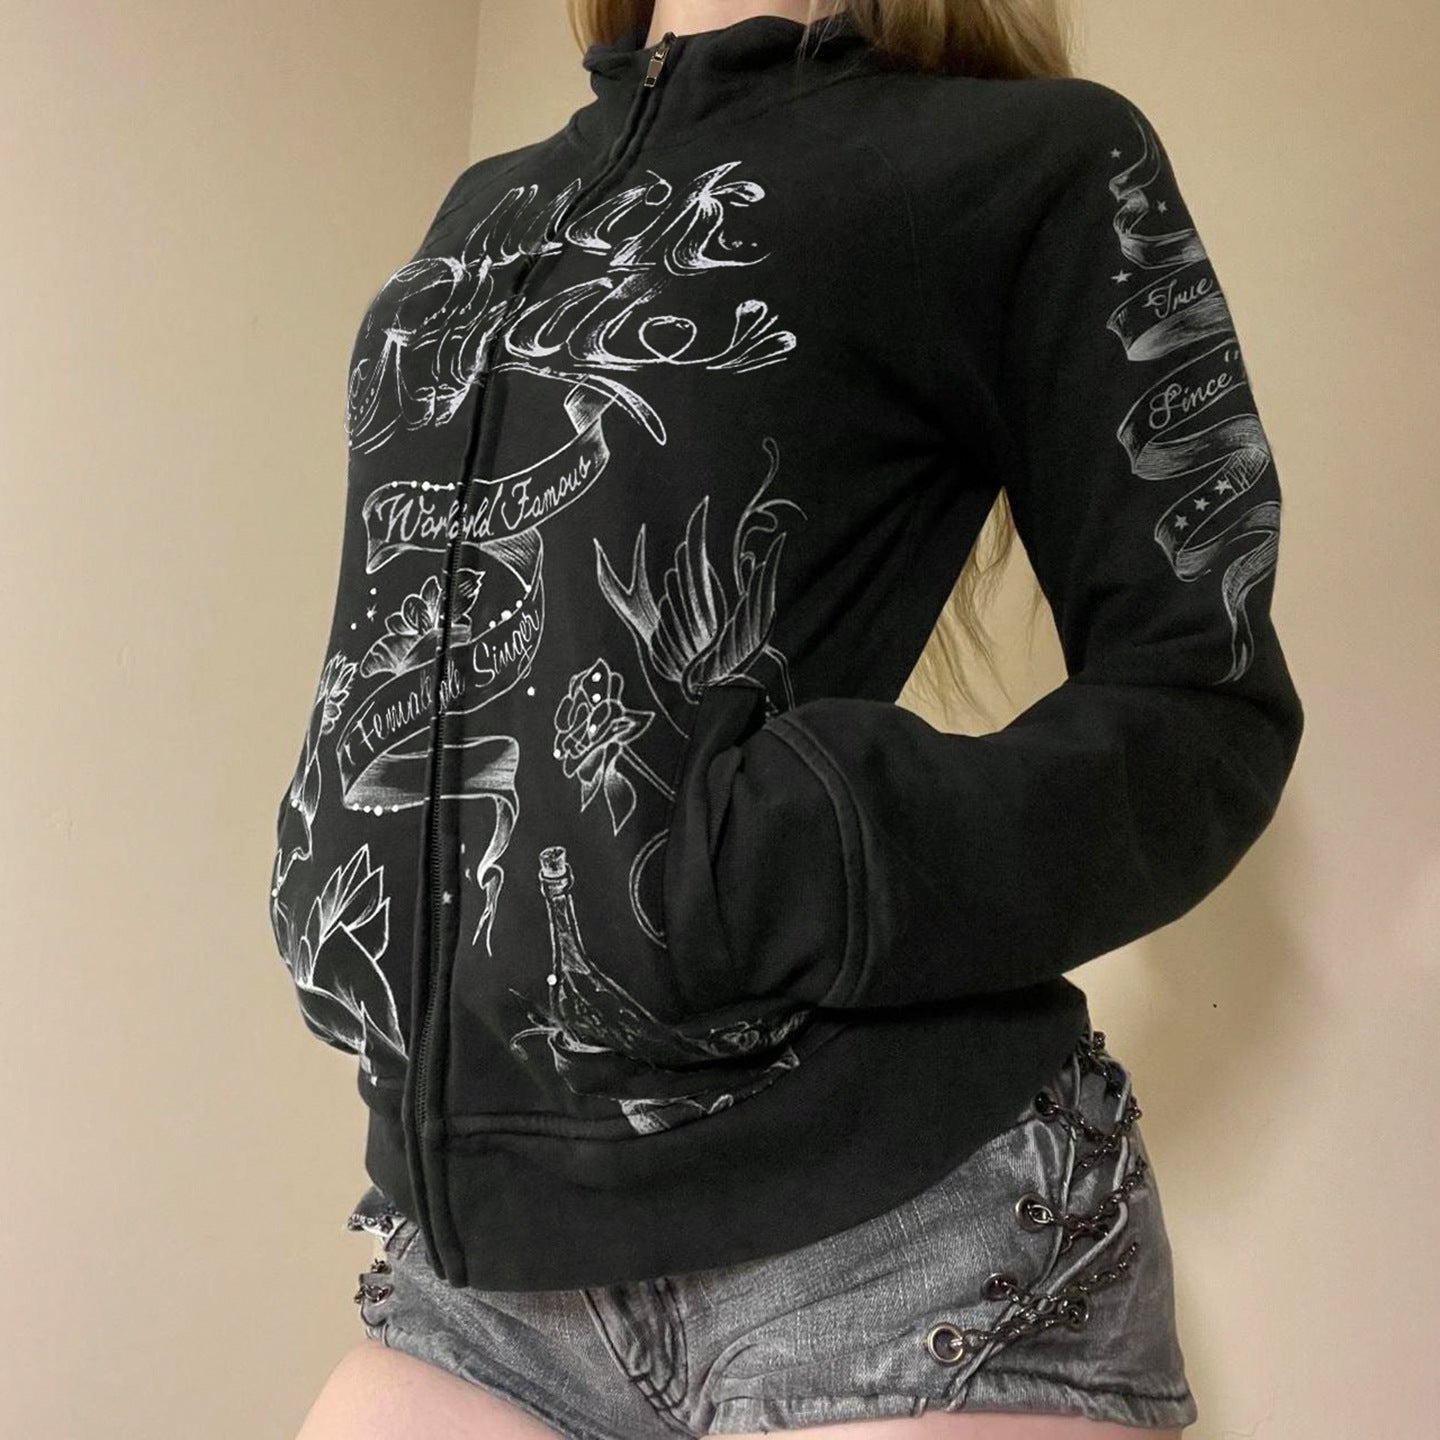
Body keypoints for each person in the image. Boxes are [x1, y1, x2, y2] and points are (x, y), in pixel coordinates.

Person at [279, 0, 1304, 1435]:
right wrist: (327, 863)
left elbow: (1206, 705)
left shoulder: (1025, 160)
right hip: (489, 1257)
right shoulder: (490, 206)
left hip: (894, 1239)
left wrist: (809, 845)